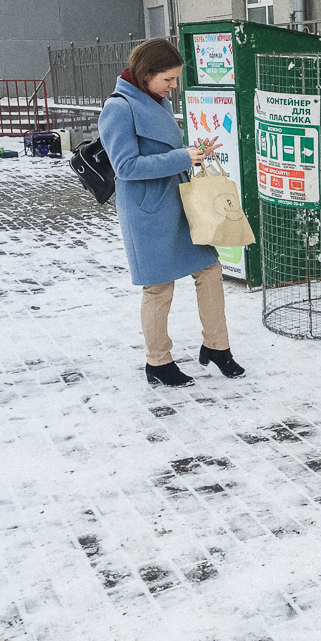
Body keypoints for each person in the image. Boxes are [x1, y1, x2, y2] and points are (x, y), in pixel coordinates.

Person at [98, 38, 245, 386]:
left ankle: (217, 347)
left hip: (180, 203)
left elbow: (165, 148)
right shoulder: (119, 107)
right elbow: (126, 166)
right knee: (158, 289)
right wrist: (182, 157)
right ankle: (158, 362)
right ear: (147, 73)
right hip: (148, 212)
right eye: (168, 79)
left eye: (175, 79)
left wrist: (195, 151)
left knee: (209, 269)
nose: (173, 87)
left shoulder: (155, 99)